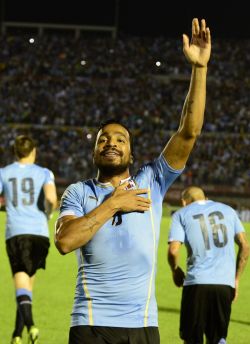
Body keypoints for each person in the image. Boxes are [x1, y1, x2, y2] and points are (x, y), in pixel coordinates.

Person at [55, 18, 211, 344]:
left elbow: (189, 131)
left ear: (131, 153)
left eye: (120, 140)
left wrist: (199, 69)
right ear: (94, 151)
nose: (111, 143)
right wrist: (113, 203)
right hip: (91, 325)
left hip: (143, 327)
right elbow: (65, 242)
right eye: (103, 140)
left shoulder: (151, 180)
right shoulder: (79, 192)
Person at [167, 186, 250, 344]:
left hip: (196, 284)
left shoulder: (181, 213)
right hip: (224, 285)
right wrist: (236, 279)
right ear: (205, 197)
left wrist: (175, 270)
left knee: (191, 339)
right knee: (218, 339)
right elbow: (245, 246)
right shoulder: (229, 211)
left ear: (184, 201)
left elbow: (173, 251)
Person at [0, 135, 58, 344]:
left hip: (17, 232)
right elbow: (51, 199)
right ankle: (17, 335)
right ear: (34, 151)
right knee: (27, 287)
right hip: (40, 234)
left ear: (15, 152)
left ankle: (31, 326)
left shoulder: (4, 173)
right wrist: (48, 214)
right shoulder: (44, 172)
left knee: (20, 284)